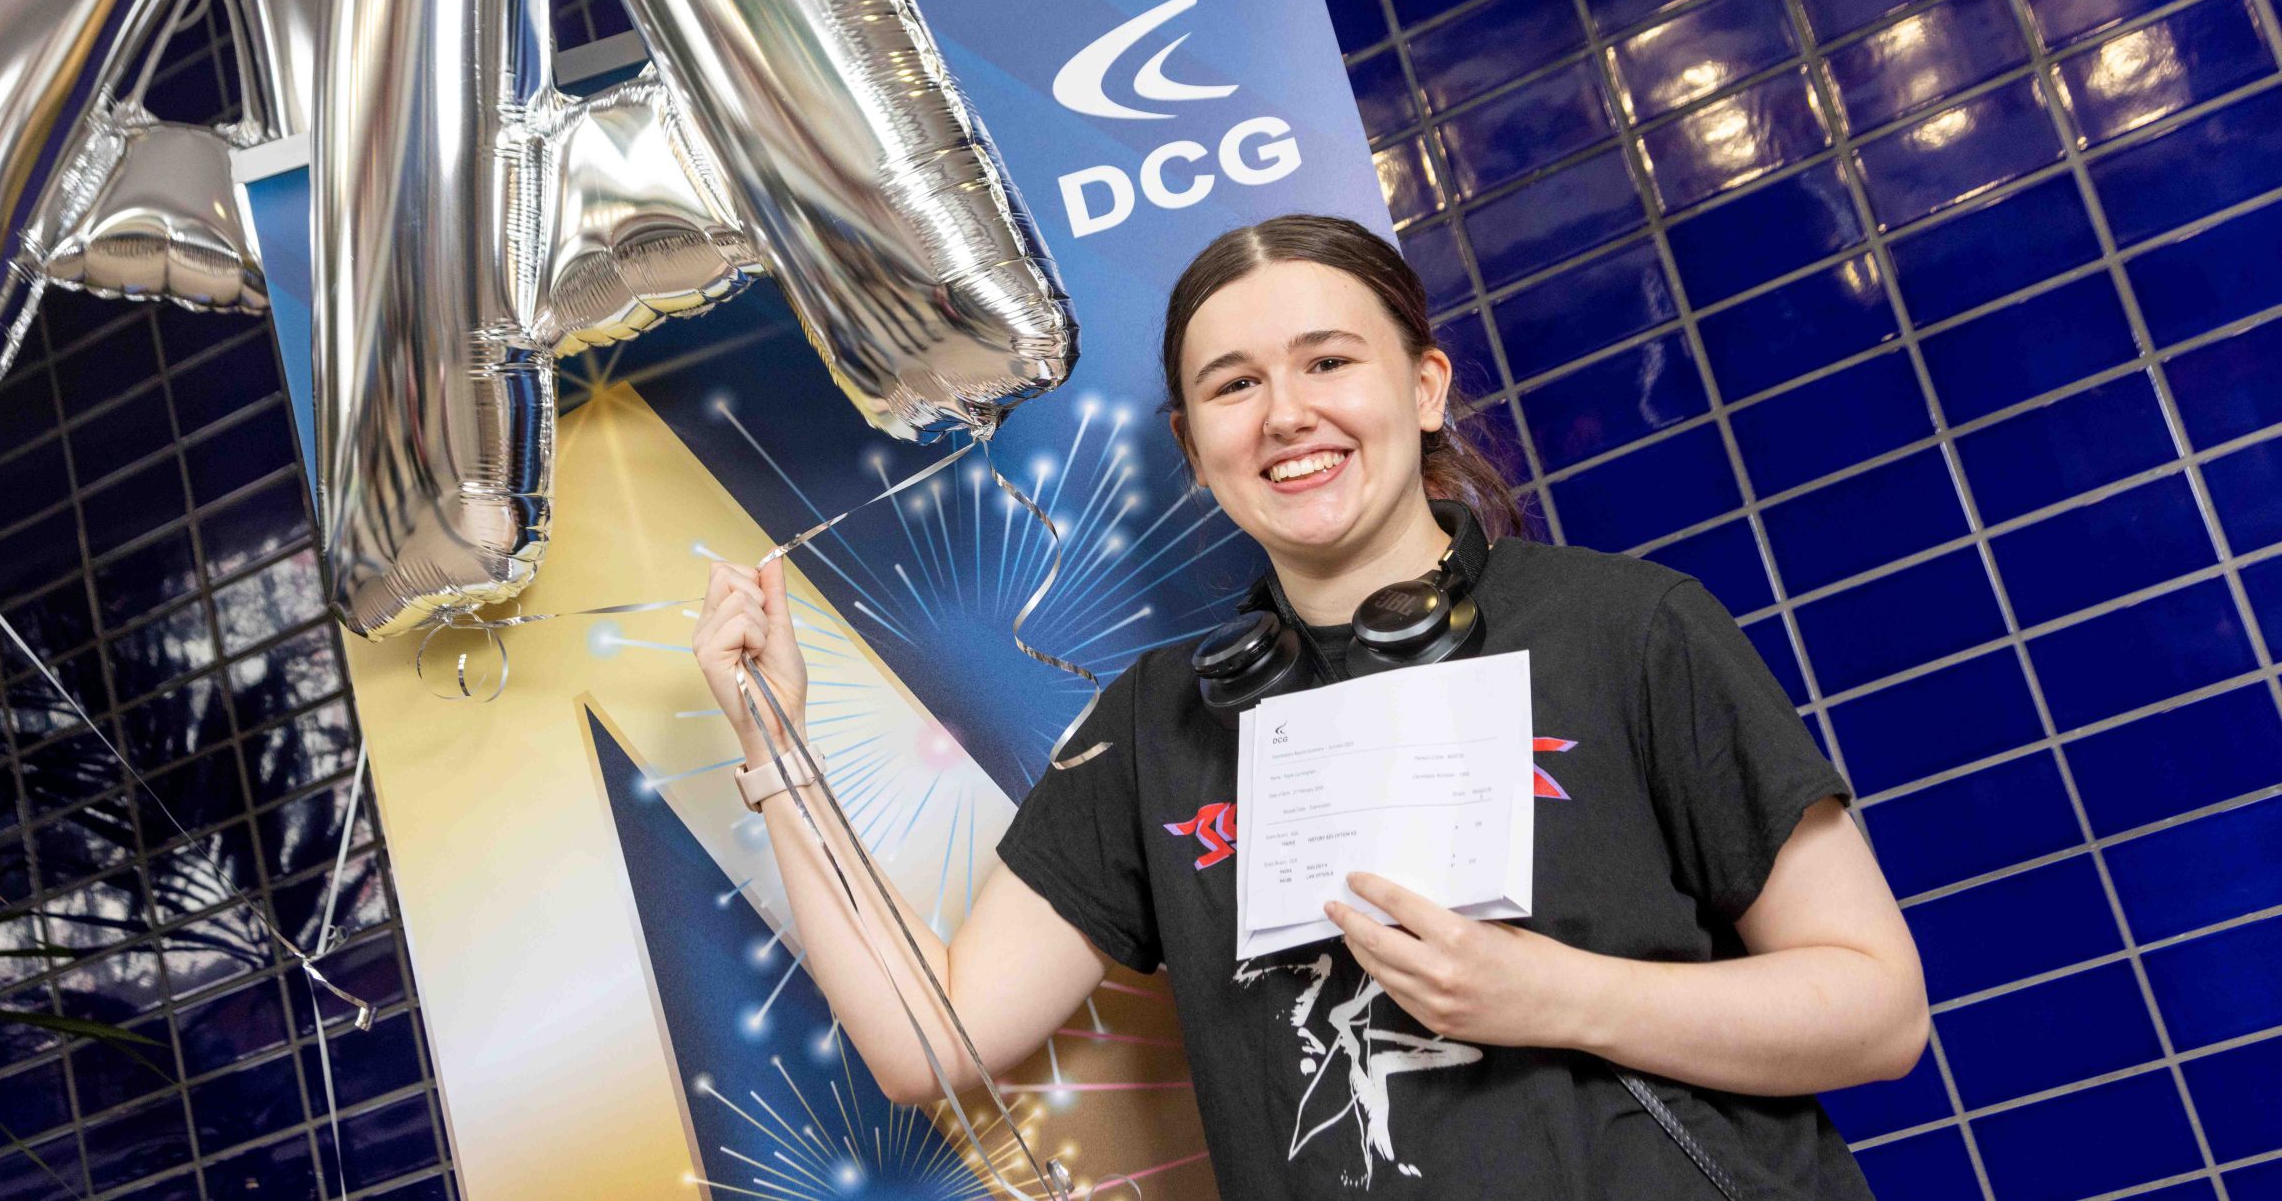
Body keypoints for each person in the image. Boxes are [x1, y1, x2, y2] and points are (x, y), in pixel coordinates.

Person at [695, 213, 1928, 1198]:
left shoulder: (1630, 626)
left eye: (1328, 362)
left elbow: (1877, 1012)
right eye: (1232, 386)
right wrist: (777, 746)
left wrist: (1552, 994)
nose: (1286, 413)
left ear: (1426, 386)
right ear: (1194, 446)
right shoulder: (1156, 725)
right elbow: (932, 1042)